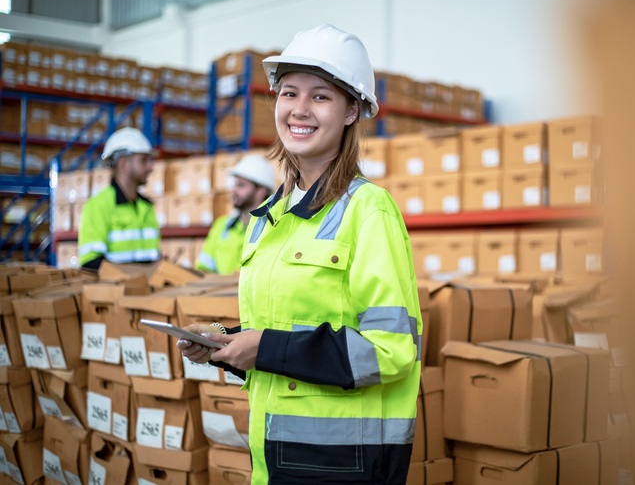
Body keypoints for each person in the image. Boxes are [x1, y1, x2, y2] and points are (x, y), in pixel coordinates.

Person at [178, 24, 422, 484]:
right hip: (275, 460)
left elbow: (391, 352)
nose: (300, 110)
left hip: (342, 466)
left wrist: (265, 347)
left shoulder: (369, 210)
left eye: (320, 97)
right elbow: (283, 338)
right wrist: (223, 343)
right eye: (289, 93)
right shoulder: (269, 218)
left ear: (352, 110)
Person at [78, 127, 160, 270]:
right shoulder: (98, 206)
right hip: (115, 291)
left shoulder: (147, 207)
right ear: (123, 164)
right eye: (143, 160)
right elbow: (90, 263)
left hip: (147, 290)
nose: (151, 167)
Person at [194, 154, 277, 274]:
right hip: (217, 292)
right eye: (235, 185)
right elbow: (202, 269)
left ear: (261, 191)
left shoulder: (273, 228)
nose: (234, 190)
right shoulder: (221, 226)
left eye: (241, 185)